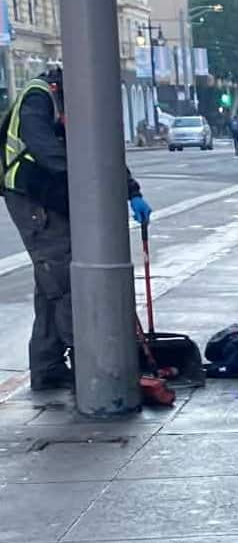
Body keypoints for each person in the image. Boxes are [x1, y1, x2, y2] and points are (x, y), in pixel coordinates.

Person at [1, 66, 154, 390]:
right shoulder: (37, 97)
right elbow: (46, 150)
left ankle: (47, 368)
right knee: (64, 278)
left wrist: (132, 191)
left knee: (50, 286)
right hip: (30, 196)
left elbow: (101, 150)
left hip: (51, 195)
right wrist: (89, 183)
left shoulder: (78, 101)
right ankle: (90, 363)